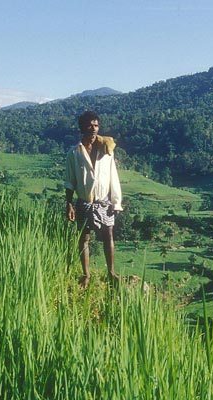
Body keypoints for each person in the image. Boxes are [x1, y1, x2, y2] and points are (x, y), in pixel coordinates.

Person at [64, 111, 123, 289]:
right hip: (84, 201)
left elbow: (114, 176)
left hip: (104, 201)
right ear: (82, 127)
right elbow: (70, 181)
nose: (93, 128)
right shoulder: (74, 153)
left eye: (96, 125)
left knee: (108, 235)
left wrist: (116, 201)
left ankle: (111, 272)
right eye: (90, 125)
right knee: (84, 238)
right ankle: (86, 275)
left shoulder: (106, 150)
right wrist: (69, 203)